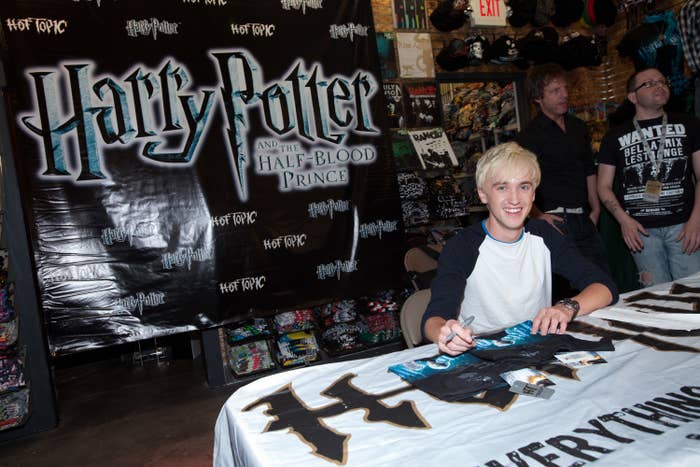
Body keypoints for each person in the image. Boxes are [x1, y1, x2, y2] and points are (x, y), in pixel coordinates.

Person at [421, 142, 618, 356]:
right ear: (483, 194)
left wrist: (567, 307)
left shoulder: (544, 235)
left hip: (537, 349)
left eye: (523, 187)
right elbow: (434, 317)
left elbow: (604, 287)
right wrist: (444, 331)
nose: (514, 199)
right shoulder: (462, 246)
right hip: (482, 354)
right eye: (502, 187)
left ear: (533, 194)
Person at [597, 67, 700, 286]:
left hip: (683, 227)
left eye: (662, 81)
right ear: (632, 96)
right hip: (641, 232)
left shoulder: (690, 124)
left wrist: (696, 221)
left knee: (692, 294)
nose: (659, 86)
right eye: (649, 83)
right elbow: (603, 186)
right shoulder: (614, 136)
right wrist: (624, 222)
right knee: (657, 298)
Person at [516, 63, 610, 277]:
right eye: (555, 91)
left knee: (602, 282)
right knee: (562, 289)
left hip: (584, 217)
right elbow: (519, 181)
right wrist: (537, 215)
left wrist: (595, 209)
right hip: (553, 219)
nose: (564, 95)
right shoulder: (529, 136)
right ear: (538, 98)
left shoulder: (578, 126)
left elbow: (588, 169)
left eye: (565, 89)